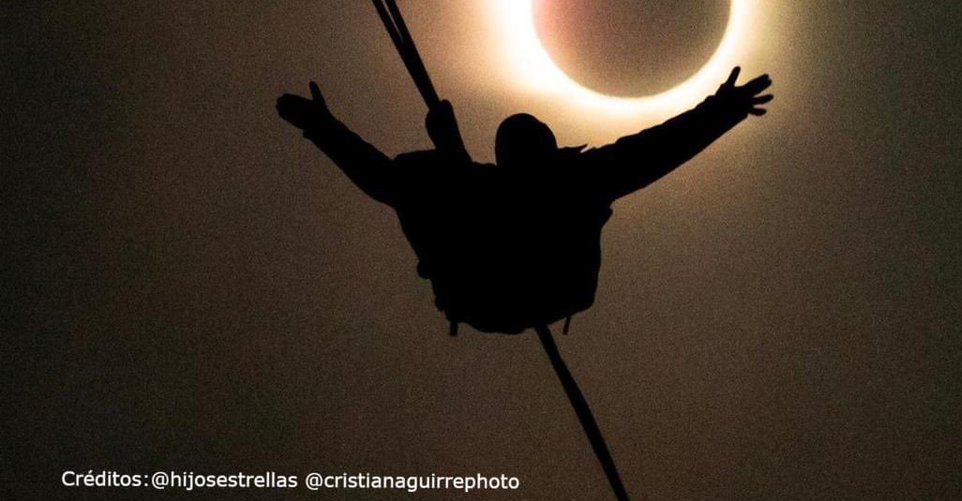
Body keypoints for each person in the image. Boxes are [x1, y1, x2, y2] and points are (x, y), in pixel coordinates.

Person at [277, 67, 772, 334]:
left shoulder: (575, 179)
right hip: (484, 282)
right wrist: (324, 129)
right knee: (424, 179)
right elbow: (383, 179)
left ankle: (454, 162)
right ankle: (452, 163)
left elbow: (655, 150)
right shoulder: (515, 185)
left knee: (439, 180)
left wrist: (719, 111)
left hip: (540, 278)